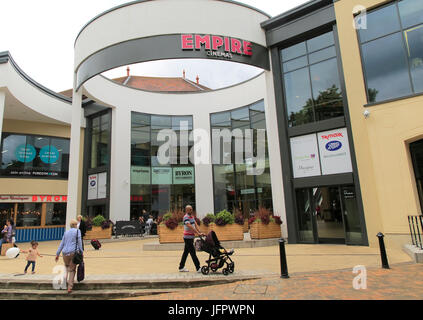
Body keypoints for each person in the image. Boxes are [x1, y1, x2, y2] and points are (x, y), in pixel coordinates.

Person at [55, 219, 84, 294]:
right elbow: (80, 242)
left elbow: (62, 243)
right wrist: (81, 251)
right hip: (73, 252)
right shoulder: (78, 231)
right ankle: (69, 287)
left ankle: (63, 283)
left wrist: (57, 254)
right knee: (72, 270)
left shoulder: (66, 232)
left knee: (66, 267)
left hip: (65, 253)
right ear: (75, 225)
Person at [178, 205, 204, 273]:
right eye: (190, 209)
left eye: (192, 209)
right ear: (186, 210)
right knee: (193, 252)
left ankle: (181, 267)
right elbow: (189, 226)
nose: (191, 210)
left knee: (186, 252)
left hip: (191, 237)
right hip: (187, 238)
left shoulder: (192, 217)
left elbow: (195, 224)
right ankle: (198, 268)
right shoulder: (185, 217)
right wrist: (197, 233)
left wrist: (200, 232)